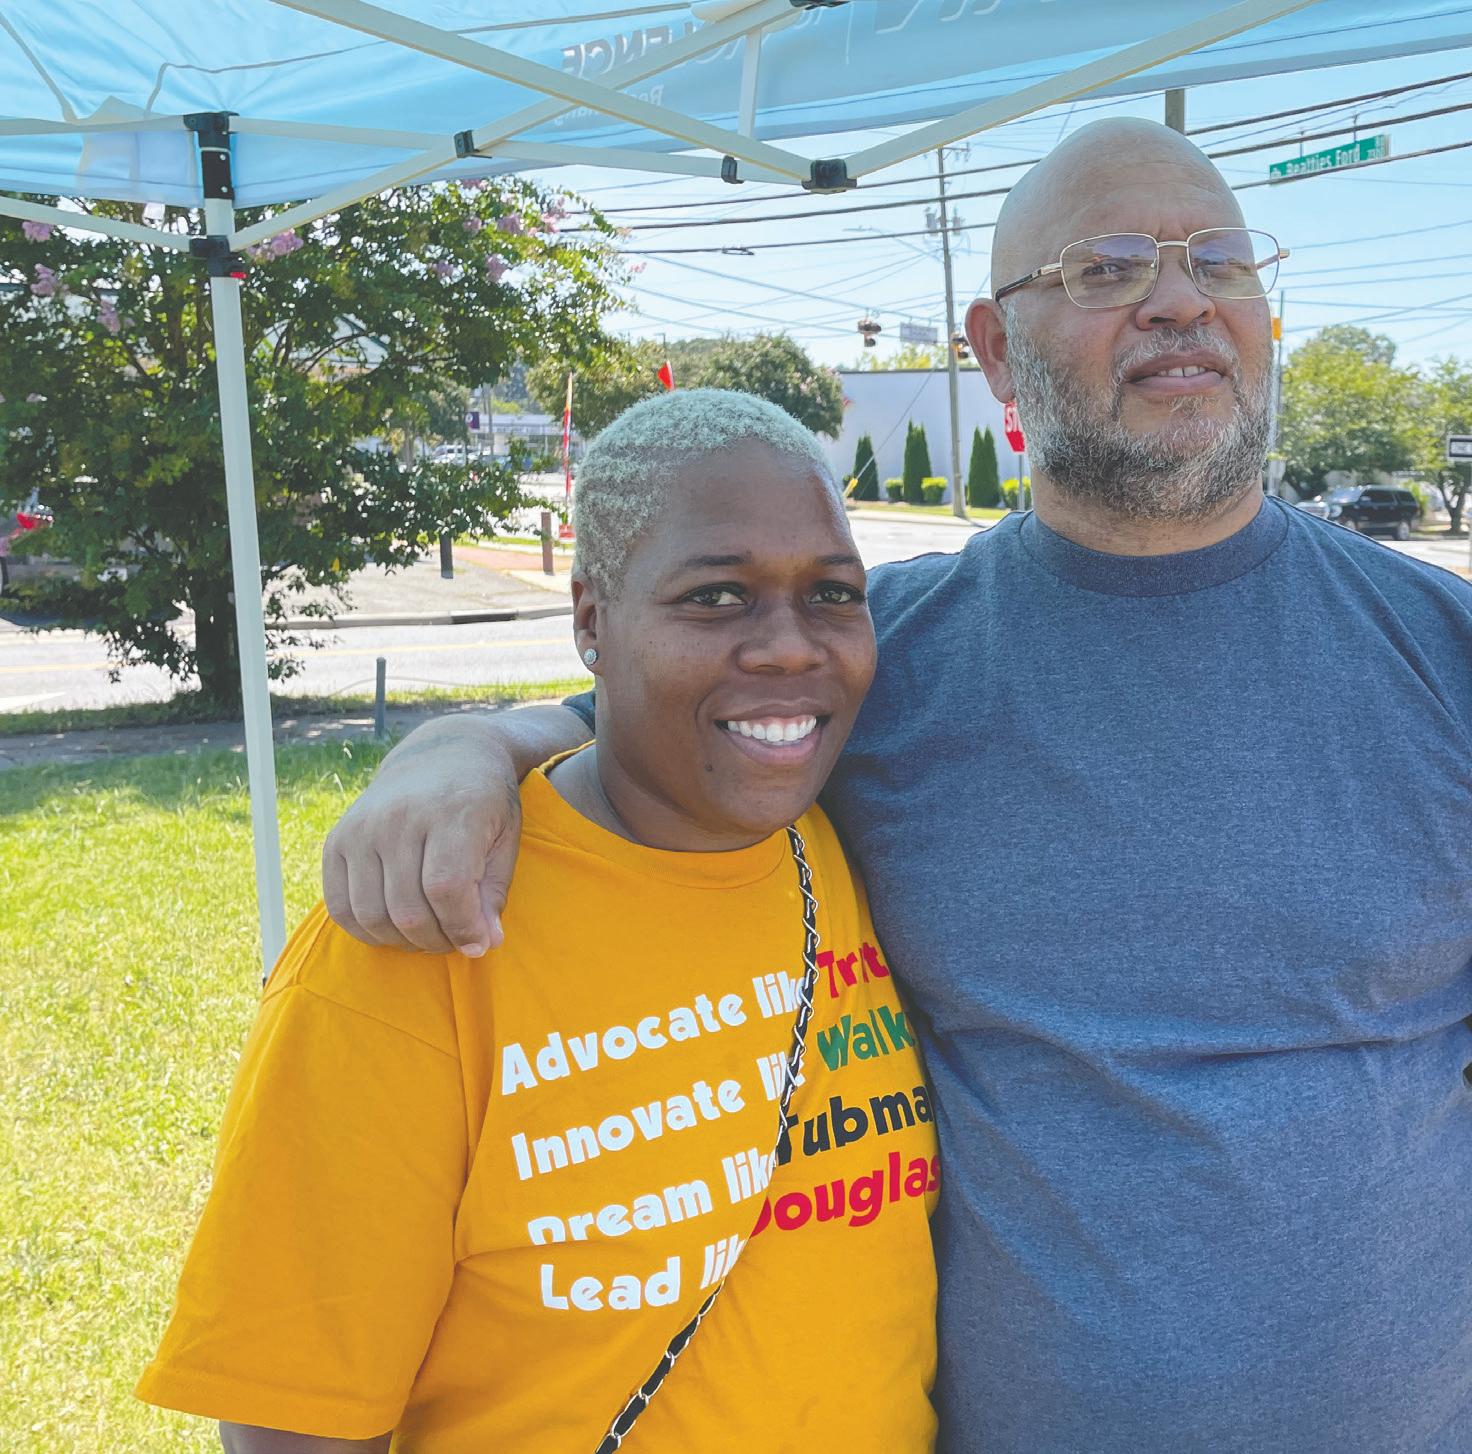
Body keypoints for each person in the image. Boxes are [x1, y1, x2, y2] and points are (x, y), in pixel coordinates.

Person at [320, 119, 1472, 1453]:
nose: (1179, 301)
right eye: (1107, 268)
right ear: (994, 347)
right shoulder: (886, 660)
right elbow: (651, 716)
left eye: (1219, 261)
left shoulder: (1451, 652)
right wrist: (467, 744)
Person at [139, 390, 939, 1452]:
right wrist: (459, 746)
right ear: (591, 622)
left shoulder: (847, 833)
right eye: (715, 596)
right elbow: (294, 1421)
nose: (790, 647)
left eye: (833, 593)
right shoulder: (425, 923)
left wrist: (469, 737)